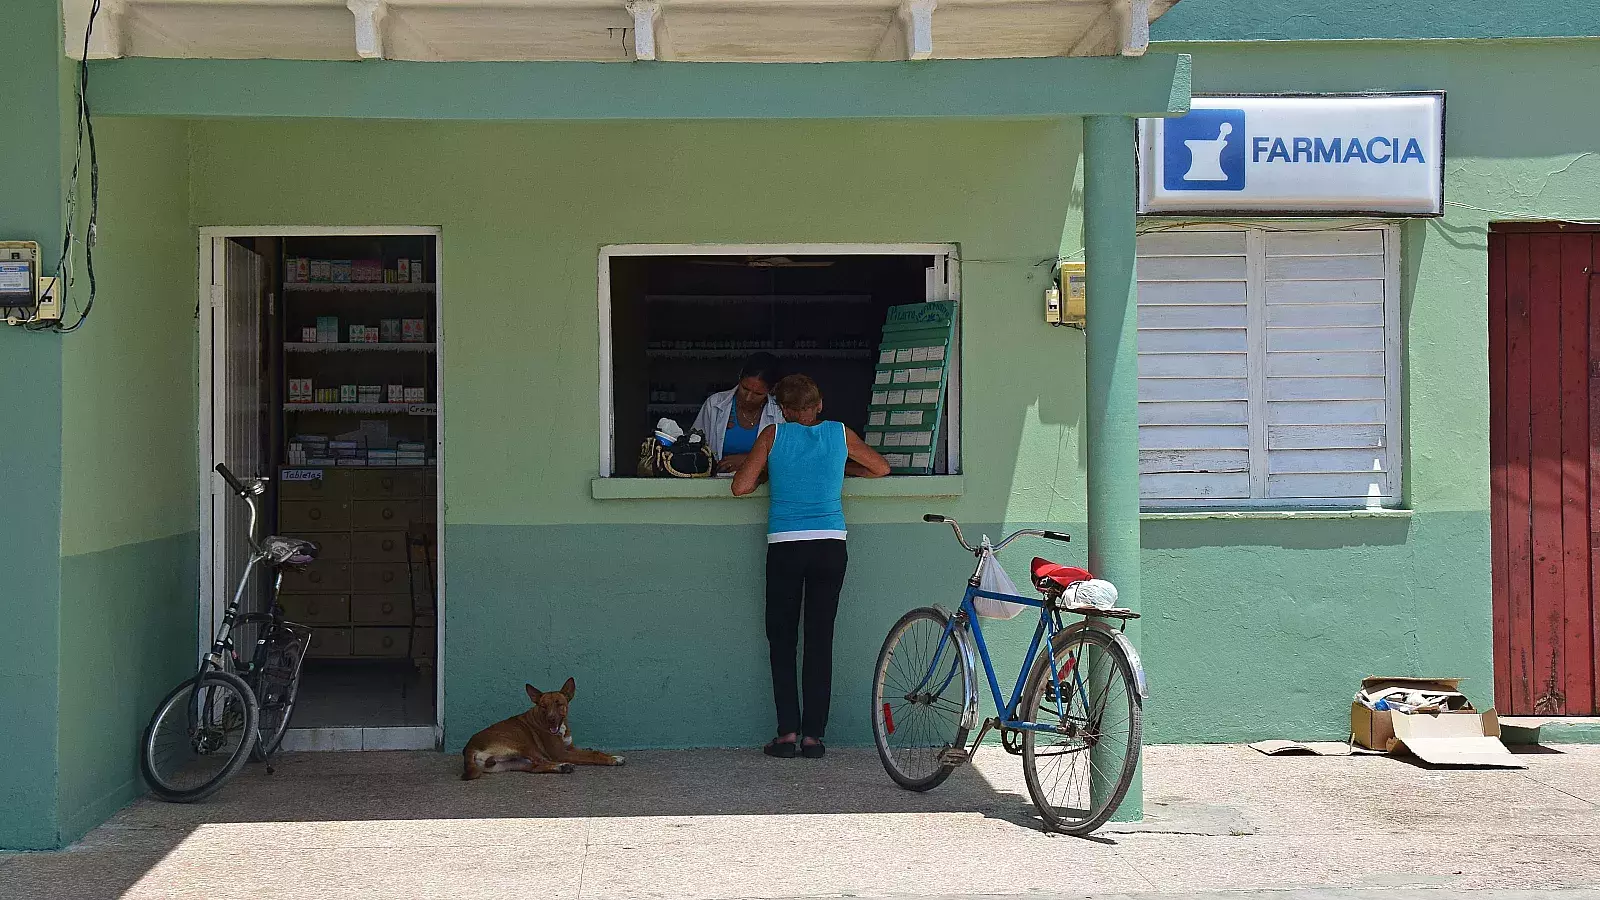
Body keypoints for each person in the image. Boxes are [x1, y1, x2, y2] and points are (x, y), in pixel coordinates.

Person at [732, 374, 891, 759]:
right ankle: (813, 737)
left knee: (782, 640)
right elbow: (880, 469)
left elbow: (740, 487)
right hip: (830, 545)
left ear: (783, 410)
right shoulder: (840, 434)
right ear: (819, 404)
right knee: (820, 641)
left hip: (786, 546)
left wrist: (771, 471)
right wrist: (840, 470)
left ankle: (787, 732)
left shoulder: (772, 435)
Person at [691, 352, 786, 473]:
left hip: (760, 488)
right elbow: (694, 445)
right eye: (745, 388)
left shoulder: (779, 413)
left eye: (757, 394)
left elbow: (785, 459)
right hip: (713, 484)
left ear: (772, 389)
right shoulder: (715, 404)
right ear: (740, 376)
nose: (748, 397)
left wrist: (747, 460)